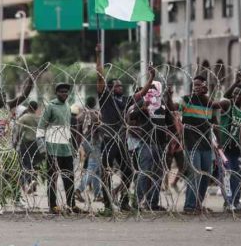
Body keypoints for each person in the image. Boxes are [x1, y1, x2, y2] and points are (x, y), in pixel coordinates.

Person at [95, 44, 156, 212]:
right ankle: (107, 204)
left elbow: (141, 94)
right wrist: (98, 54)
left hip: (121, 140)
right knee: (106, 172)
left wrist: (151, 77)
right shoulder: (105, 97)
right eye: (117, 86)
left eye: (121, 86)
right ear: (110, 88)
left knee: (129, 171)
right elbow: (100, 76)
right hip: (109, 139)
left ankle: (123, 202)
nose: (121, 87)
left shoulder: (124, 100)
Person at [0, 69, 41, 215]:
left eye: (4, 96)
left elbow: (23, 95)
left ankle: (17, 199)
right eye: (0, 96)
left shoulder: (8, 106)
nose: (3, 98)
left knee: (15, 175)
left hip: (9, 149)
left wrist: (31, 79)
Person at [166, 75, 227, 214]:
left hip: (206, 144)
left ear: (205, 87)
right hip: (191, 143)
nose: (196, 87)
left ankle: (198, 204)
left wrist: (219, 143)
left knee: (206, 175)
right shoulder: (187, 100)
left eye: (199, 85)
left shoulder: (208, 103)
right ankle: (189, 206)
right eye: (195, 85)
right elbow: (172, 107)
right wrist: (169, 96)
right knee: (195, 174)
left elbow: (215, 124)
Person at [36, 83, 84, 214]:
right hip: (52, 148)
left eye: (66, 92)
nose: (64, 94)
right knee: (53, 178)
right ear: (56, 93)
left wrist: (73, 147)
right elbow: (40, 128)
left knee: (69, 178)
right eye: (62, 92)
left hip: (66, 149)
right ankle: (53, 206)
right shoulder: (50, 106)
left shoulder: (67, 107)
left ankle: (72, 205)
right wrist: (42, 148)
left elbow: (67, 130)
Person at [127, 81, 173, 211]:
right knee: (144, 173)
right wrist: (143, 108)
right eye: (150, 88)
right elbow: (131, 115)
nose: (152, 91)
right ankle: (137, 202)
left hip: (160, 144)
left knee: (158, 175)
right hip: (147, 143)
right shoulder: (143, 102)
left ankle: (152, 203)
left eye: (155, 88)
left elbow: (169, 122)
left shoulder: (162, 105)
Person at [219, 73, 241, 210]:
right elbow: (225, 96)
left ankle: (236, 200)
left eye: (239, 94)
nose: (235, 95)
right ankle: (228, 202)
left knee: (238, 176)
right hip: (225, 148)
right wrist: (236, 82)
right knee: (227, 175)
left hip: (237, 148)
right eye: (234, 93)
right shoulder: (228, 106)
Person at [16, 100, 42, 194]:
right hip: (37, 144)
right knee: (34, 165)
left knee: (25, 164)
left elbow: (18, 130)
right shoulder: (39, 118)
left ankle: (29, 181)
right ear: (36, 108)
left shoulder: (24, 118)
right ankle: (33, 186)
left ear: (29, 107)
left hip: (26, 143)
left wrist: (16, 142)